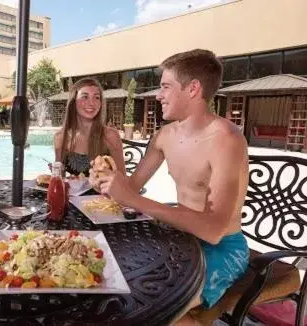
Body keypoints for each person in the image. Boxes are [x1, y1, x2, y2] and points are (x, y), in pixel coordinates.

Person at [96, 49, 250, 325]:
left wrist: (136, 200)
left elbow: (213, 230)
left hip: (222, 248)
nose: (158, 94)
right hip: (178, 238)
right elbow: (131, 187)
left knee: (154, 312)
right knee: (114, 284)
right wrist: (108, 179)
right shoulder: (164, 136)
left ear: (193, 89)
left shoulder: (226, 139)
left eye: (165, 86)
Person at [53, 78, 125, 177]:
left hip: (103, 193)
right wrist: (56, 171)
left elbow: (122, 179)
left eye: (96, 97)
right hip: (71, 193)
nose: (91, 103)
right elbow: (59, 179)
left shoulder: (110, 135)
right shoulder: (61, 137)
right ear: (74, 102)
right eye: (85, 97)